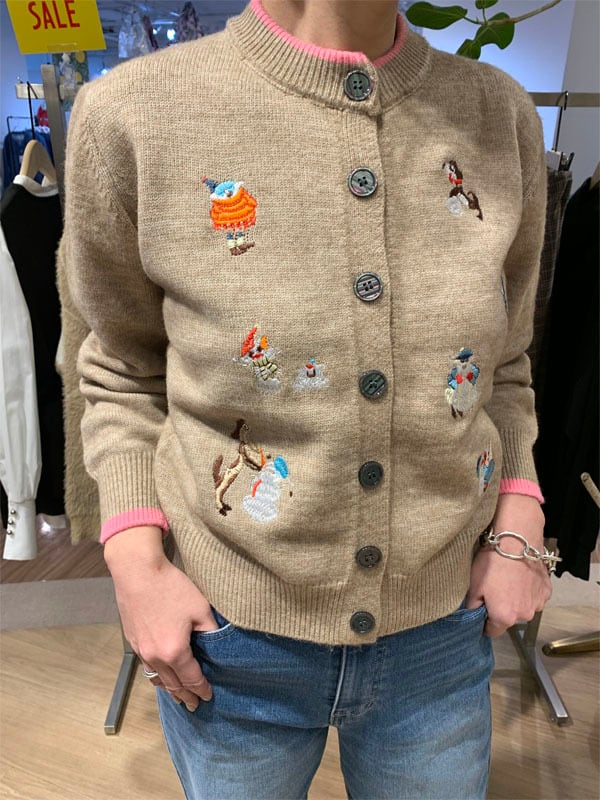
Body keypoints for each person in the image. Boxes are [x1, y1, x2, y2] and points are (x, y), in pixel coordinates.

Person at [61, 1, 555, 797]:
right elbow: (119, 369)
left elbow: (505, 364)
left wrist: (521, 516)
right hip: (229, 638)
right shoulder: (132, 112)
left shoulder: (499, 114)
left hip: (443, 630)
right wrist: (134, 565)